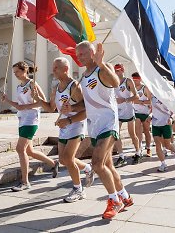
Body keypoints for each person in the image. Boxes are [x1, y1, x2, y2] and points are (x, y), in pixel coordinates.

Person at [66, 41, 133, 219]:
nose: (79, 57)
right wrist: (70, 110)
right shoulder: (84, 75)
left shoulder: (102, 68)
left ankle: (114, 201)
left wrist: (101, 63)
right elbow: (86, 104)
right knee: (108, 166)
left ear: (93, 53)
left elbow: (115, 82)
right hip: (94, 126)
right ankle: (125, 197)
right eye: (77, 54)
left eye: (83, 54)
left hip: (108, 124)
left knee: (97, 164)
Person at [34, 57, 94, 203]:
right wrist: (38, 99)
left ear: (65, 69)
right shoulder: (56, 87)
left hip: (76, 124)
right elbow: (50, 108)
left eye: (56, 68)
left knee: (68, 158)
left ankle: (78, 189)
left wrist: (70, 114)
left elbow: (86, 108)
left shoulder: (74, 86)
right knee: (63, 159)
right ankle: (87, 168)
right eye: (53, 67)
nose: (53, 70)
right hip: (64, 126)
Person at [0, 61, 59, 192]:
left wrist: (29, 104)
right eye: (14, 72)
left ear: (25, 70)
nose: (15, 74)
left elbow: (44, 102)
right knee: (29, 151)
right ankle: (53, 163)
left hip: (31, 119)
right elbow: (19, 105)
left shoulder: (32, 83)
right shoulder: (18, 87)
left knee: (20, 149)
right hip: (22, 119)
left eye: (18, 71)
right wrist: (7, 99)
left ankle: (25, 182)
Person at [113, 64, 141, 166]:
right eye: (115, 71)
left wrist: (125, 100)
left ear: (123, 70)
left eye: (118, 70)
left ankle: (138, 152)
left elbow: (136, 96)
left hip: (128, 110)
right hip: (118, 111)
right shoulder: (113, 82)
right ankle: (121, 156)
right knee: (116, 134)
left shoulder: (128, 81)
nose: (117, 72)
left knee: (132, 134)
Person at [150, 93, 175, 172]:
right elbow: (152, 109)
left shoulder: (168, 96)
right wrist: (149, 115)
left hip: (166, 123)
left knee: (167, 145)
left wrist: (171, 118)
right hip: (155, 124)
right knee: (157, 144)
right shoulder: (152, 95)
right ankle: (163, 164)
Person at [131, 72, 153, 157]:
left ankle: (148, 148)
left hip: (145, 112)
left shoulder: (145, 88)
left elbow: (151, 101)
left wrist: (141, 102)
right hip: (136, 112)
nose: (134, 82)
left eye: (136, 80)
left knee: (146, 131)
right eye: (133, 80)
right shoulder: (132, 88)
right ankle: (139, 148)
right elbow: (131, 100)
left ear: (139, 79)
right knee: (138, 131)